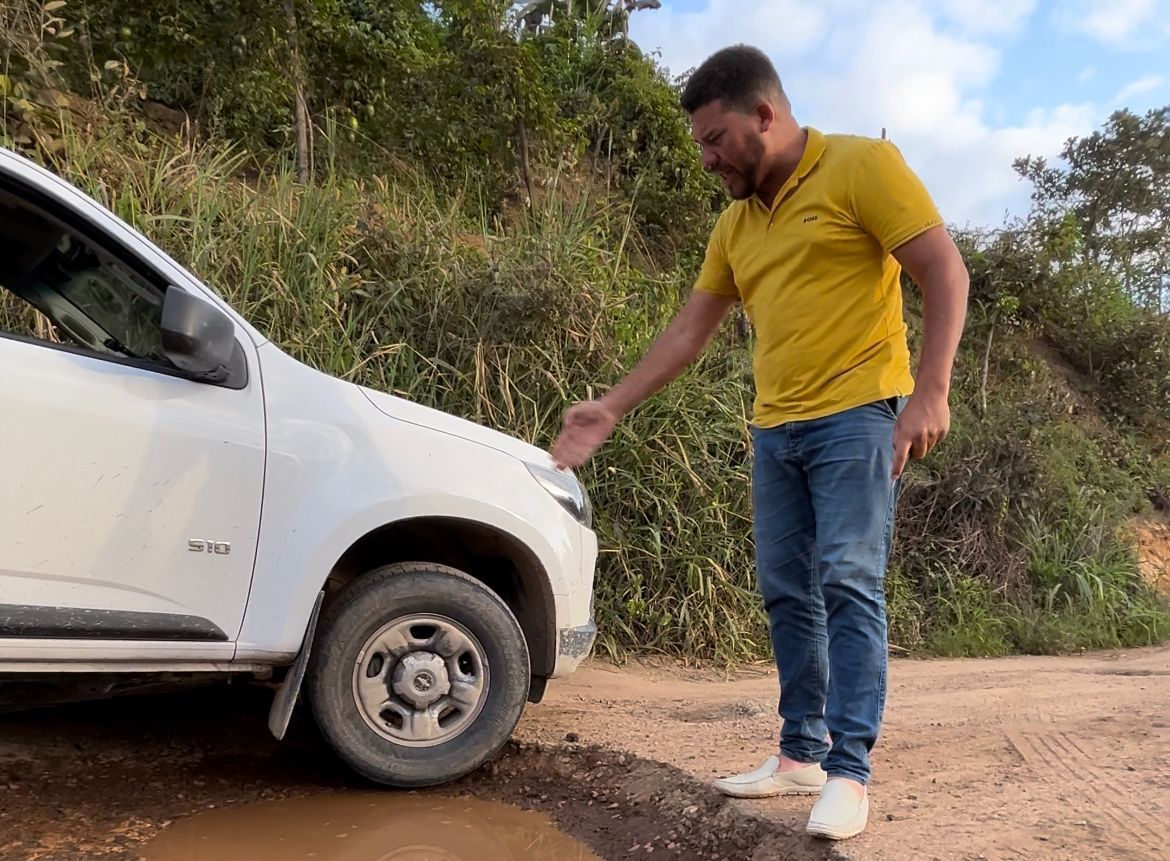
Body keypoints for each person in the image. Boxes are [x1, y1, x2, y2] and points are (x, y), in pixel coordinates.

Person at [550, 45, 969, 840]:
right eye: (701, 144)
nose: (707, 159)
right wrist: (610, 406)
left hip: (860, 413)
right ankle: (800, 754)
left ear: (765, 116)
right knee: (786, 590)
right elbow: (688, 330)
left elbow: (944, 271)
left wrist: (933, 389)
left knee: (848, 577)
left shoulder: (862, 167)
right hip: (776, 427)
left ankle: (849, 771)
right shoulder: (736, 224)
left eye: (715, 140)